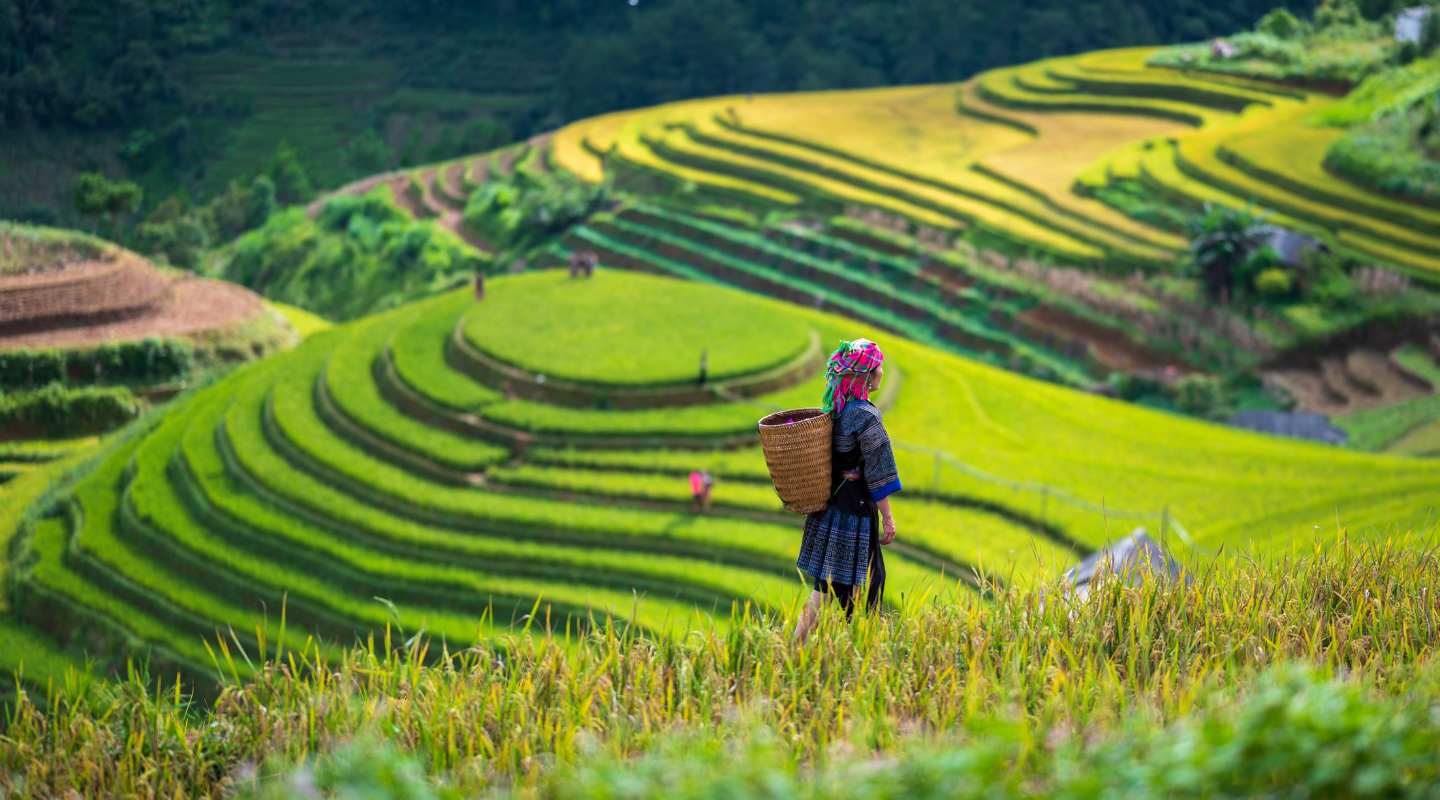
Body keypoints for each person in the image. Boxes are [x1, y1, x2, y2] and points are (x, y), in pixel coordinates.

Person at [793, 338, 900, 643]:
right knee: (843, 585)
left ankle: (813, 643)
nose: (882, 372)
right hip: (854, 510)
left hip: (831, 507)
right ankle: (824, 645)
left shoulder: (835, 410)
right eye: (878, 367)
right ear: (867, 375)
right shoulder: (866, 416)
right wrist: (889, 519)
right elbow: (879, 472)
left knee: (830, 586)